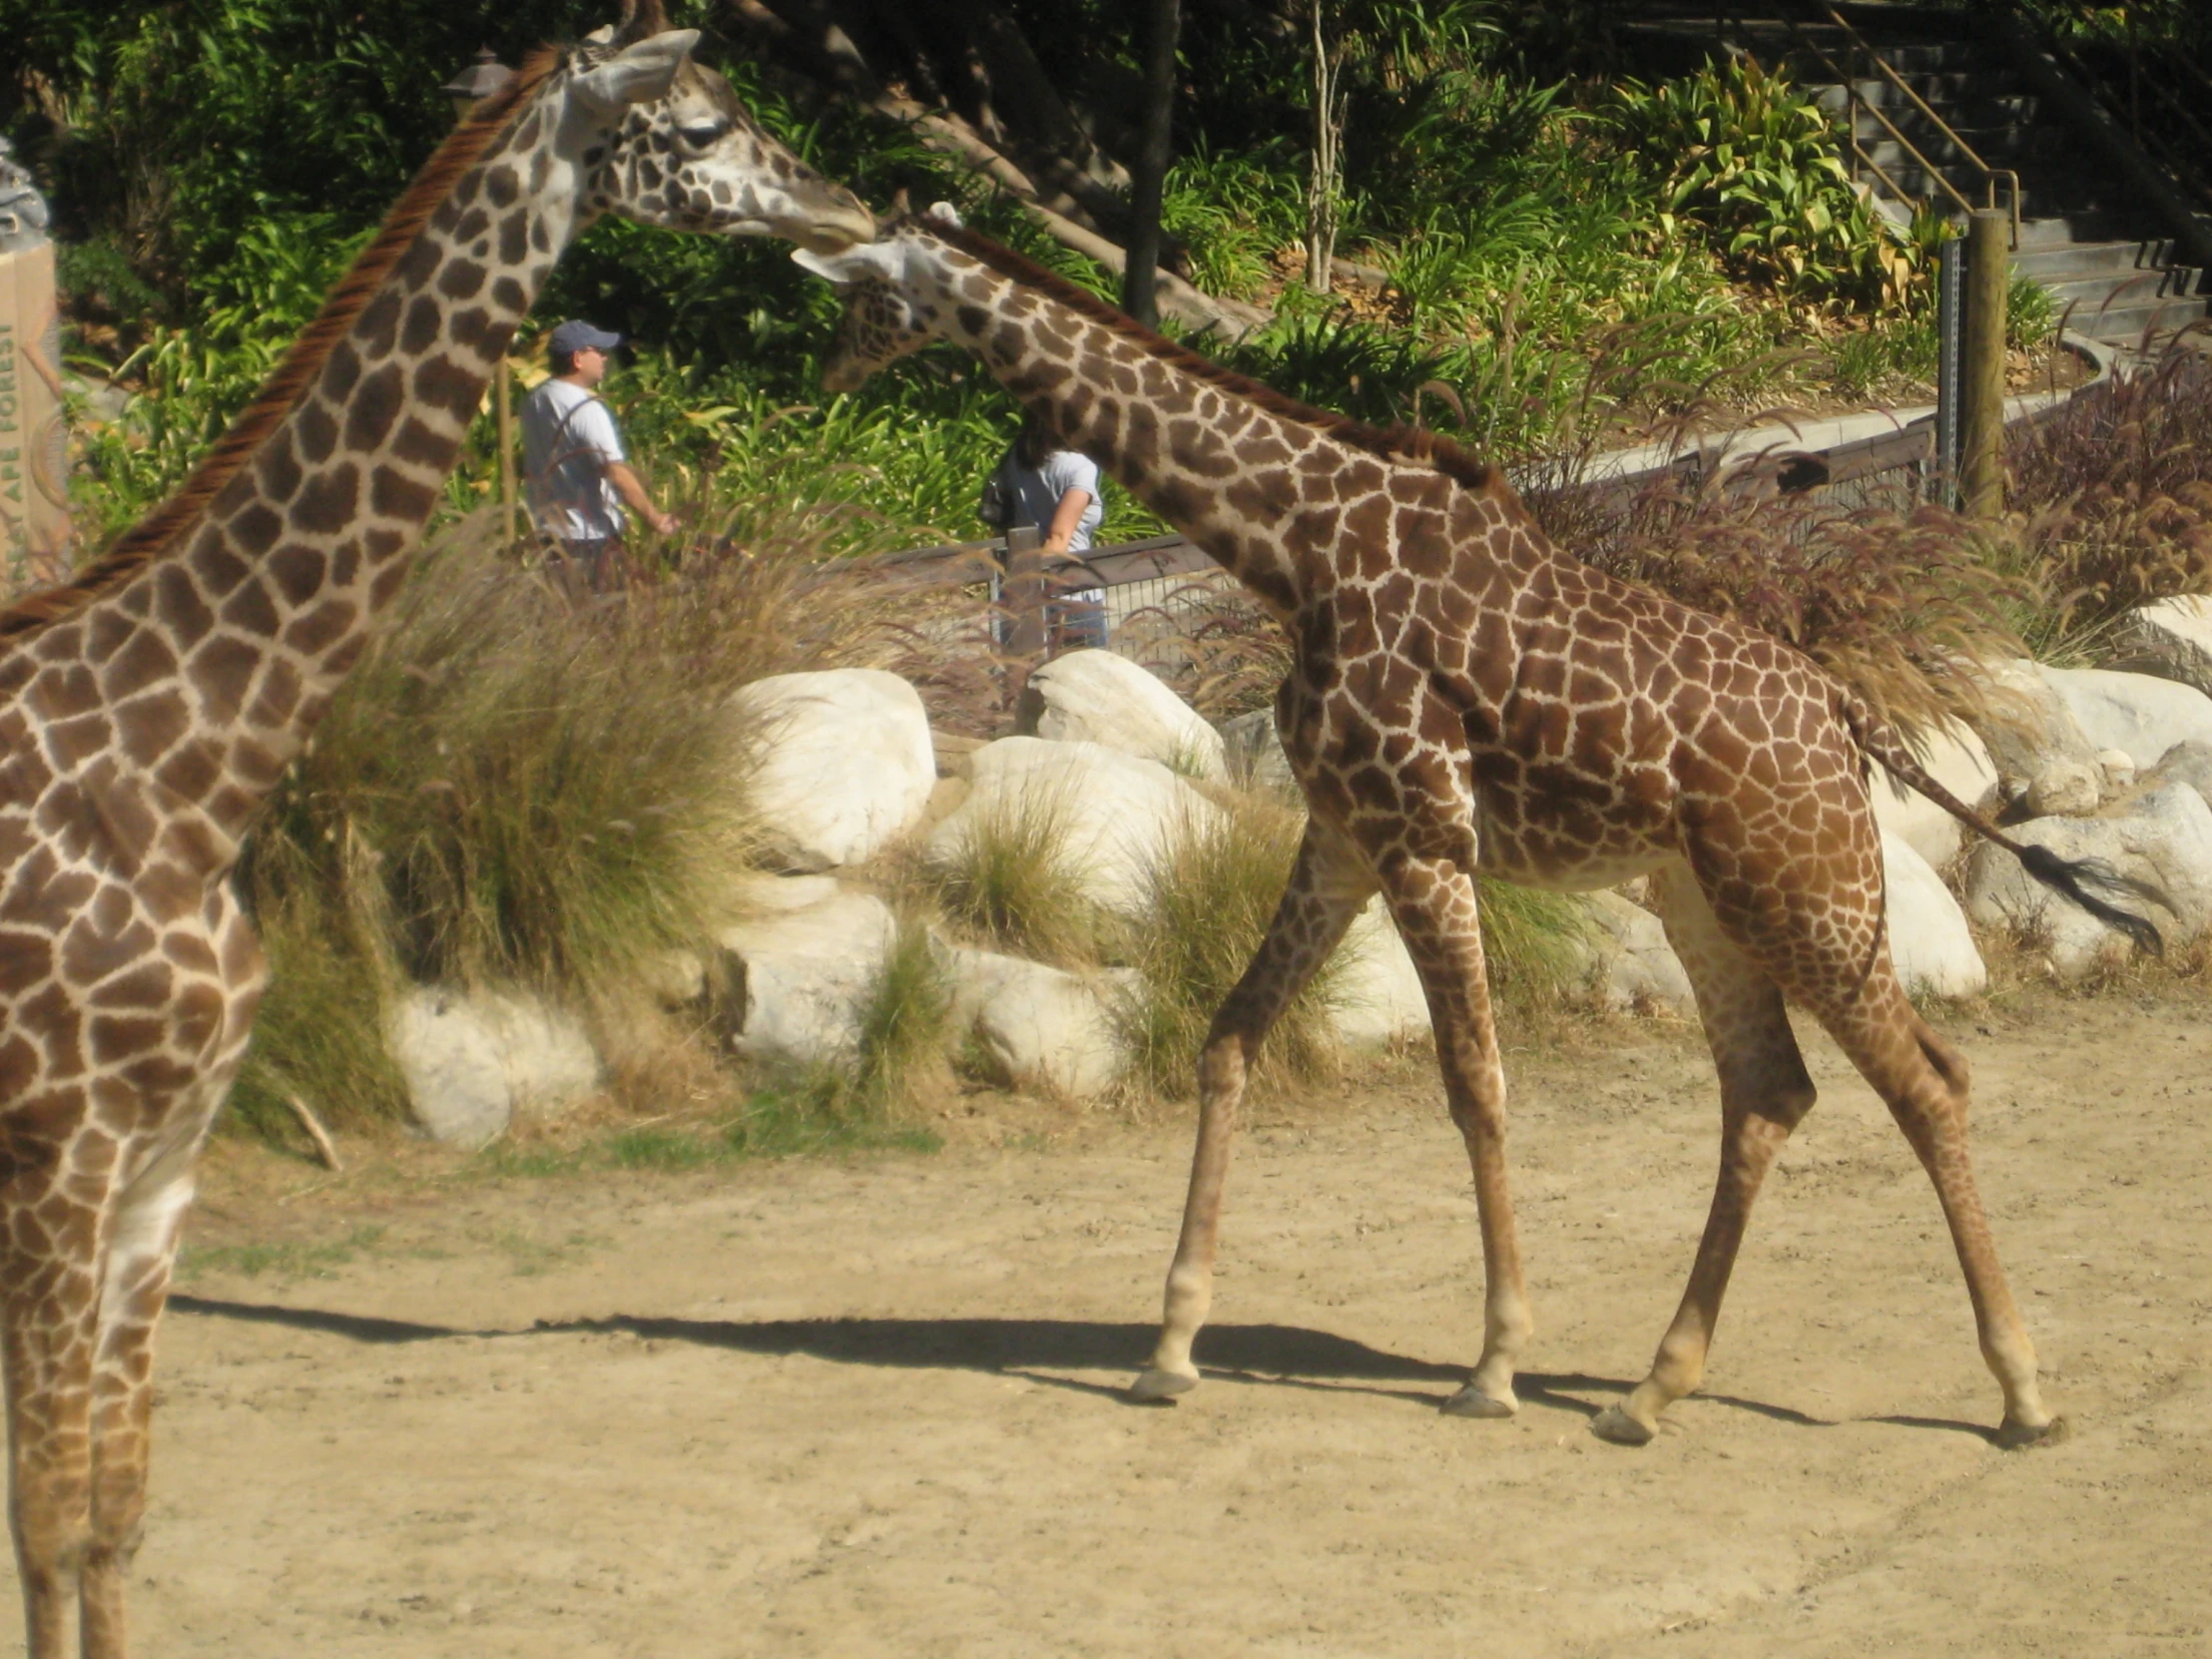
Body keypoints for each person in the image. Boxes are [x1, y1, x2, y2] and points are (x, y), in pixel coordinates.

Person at [519, 318, 677, 595]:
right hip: (589, 542)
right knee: (603, 625)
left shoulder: (534, 400)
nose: (605, 357)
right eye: (599, 351)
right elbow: (615, 472)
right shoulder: (586, 408)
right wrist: (655, 519)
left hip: (549, 541)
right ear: (578, 358)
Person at [979, 406, 1108, 649]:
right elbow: (1058, 538)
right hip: (1072, 595)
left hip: (1019, 588)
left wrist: (1024, 595)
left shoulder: (1014, 461)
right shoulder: (1080, 467)